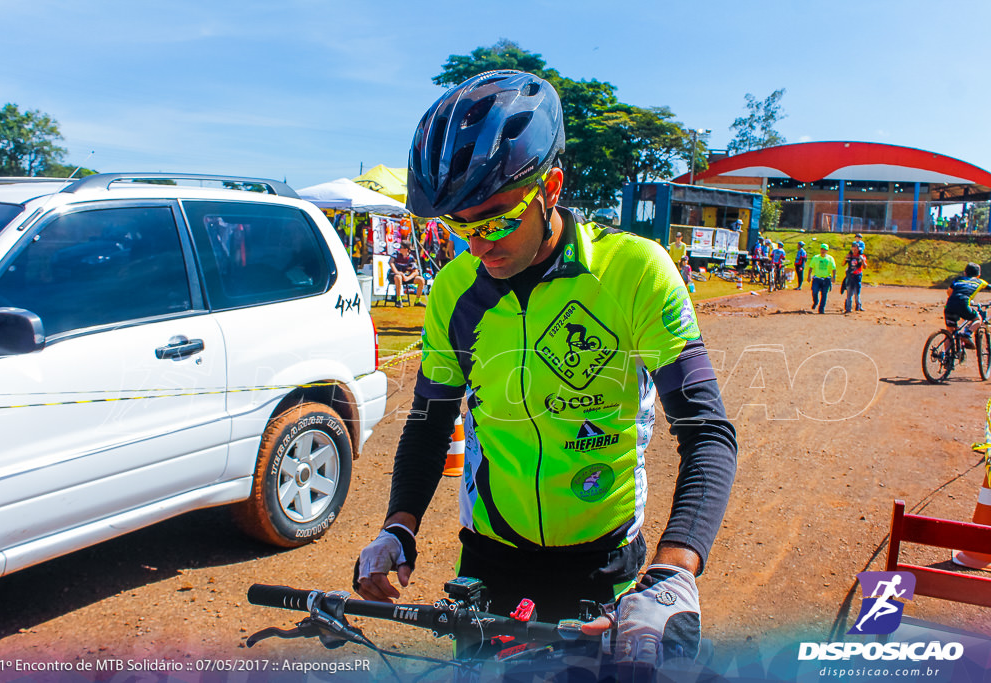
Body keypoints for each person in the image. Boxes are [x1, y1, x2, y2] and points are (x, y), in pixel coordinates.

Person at [354, 70, 737, 669]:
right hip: (488, 563)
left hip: (603, 569)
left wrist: (674, 571)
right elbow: (429, 423)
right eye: (460, 224)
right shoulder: (455, 291)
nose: (478, 245)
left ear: (551, 186)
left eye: (497, 219)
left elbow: (707, 432)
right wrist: (397, 529)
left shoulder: (635, 272)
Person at [945, 263, 989, 348]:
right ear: (979, 275)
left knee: (949, 332)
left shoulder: (958, 279)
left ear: (965, 273)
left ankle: (945, 356)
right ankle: (966, 334)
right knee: (978, 319)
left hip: (949, 305)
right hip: (963, 305)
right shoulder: (980, 281)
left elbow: (949, 292)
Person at [388, 243, 425, 307]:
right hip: (394, 276)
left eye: (401, 247)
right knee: (398, 277)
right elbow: (391, 263)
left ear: (406, 249)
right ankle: (398, 300)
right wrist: (397, 272)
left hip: (405, 276)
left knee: (421, 280)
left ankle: (417, 301)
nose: (400, 249)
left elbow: (415, 271)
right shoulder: (396, 254)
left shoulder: (411, 258)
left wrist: (408, 278)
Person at [806, 243, 837, 314]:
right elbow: (811, 267)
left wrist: (833, 277)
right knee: (814, 291)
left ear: (827, 251)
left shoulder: (830, 258)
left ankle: (821, 308)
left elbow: (833, 268)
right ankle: (815, 301)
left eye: (825, 250)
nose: (823, 251)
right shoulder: (816, 257)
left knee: (824, 294)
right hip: (817, 278)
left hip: (826, 279)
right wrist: (809, 276)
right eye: (822, 249)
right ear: (820, 250)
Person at [842, 243, 867, 313]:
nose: (855, 250)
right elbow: (843, 264)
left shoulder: (861, 256)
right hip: (850, 275)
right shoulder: (849, 256)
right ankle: (848, 308)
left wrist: (862, 261)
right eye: (853, 249)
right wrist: (845, 258)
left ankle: (858, 306)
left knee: (857, 292)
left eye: (856, 249)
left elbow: (865, 267)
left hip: (857, 276)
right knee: (849, 292)